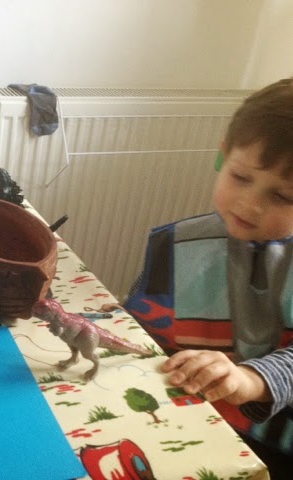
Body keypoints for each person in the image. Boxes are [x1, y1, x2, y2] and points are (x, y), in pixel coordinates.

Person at [124, 77, 293, 478]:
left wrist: (251, 379)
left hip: (275, 447)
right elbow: (139, 331)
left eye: (283, 196)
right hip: (186, 420)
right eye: (241, 177)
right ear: (223, 156)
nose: (250, 204)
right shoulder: (175, 243)